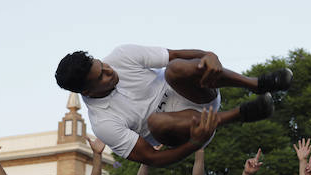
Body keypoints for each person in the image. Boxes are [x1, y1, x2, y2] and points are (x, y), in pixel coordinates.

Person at [55, 45, 293, 167]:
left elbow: (181, 54)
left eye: (102, 65)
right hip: (187, 130)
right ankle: (238, 114)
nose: (109, 70)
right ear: (87, 91)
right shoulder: (103, 122)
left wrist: (210, 56)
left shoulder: (121, 55)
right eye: (102, 77)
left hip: (196, 92)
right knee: (155, 121)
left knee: (175, 68)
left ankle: (256, 84)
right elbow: (154, 158)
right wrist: (195, 143)